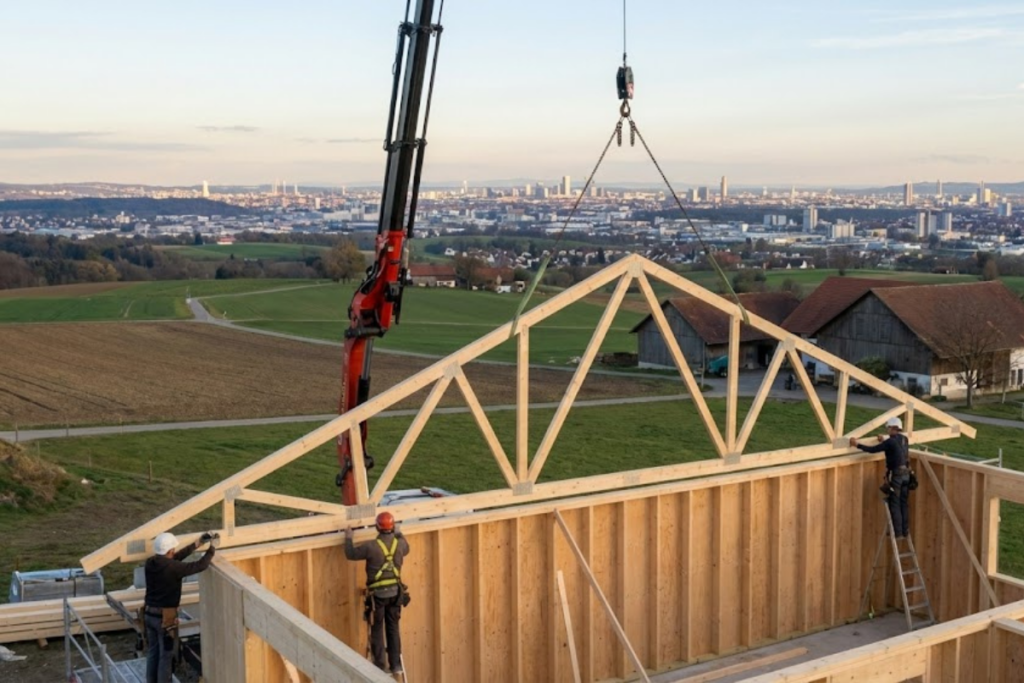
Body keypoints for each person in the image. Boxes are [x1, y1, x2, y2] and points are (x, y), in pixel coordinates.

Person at [143, 531, 217, 683]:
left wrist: (198, 543)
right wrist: (212, 549)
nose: (175, 551)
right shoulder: (173, 568)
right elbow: (200, 565)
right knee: (166, 655)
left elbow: (174, 558)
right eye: (173, 549)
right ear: (170, 550)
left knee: (153, 652)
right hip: (165, 619)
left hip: (149, 614)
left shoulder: (150, 563)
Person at [345, 512, 410, 677]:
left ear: (377, 527)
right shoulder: (400, 545)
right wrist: (399, 532)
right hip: (396, 594)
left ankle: (380, 666)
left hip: (378, 597)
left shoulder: (370, 547)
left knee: (377, 628)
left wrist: (348, 537)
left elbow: (350, 554)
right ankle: (395, 665)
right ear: (392, 527)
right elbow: (406, 546)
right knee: (393, 628)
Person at [850, 417, 911, 538]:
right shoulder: (904, 439)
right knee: (903, 503)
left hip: (897, 476)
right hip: (906, 476)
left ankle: (898, 533)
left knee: (895, 503)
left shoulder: (889, 442)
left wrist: (857, 445)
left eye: (888, 428)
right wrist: (884, 440)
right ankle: (905, 531)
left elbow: (872, 450)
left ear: (892, 428)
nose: (887, 430)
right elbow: (895, 447)